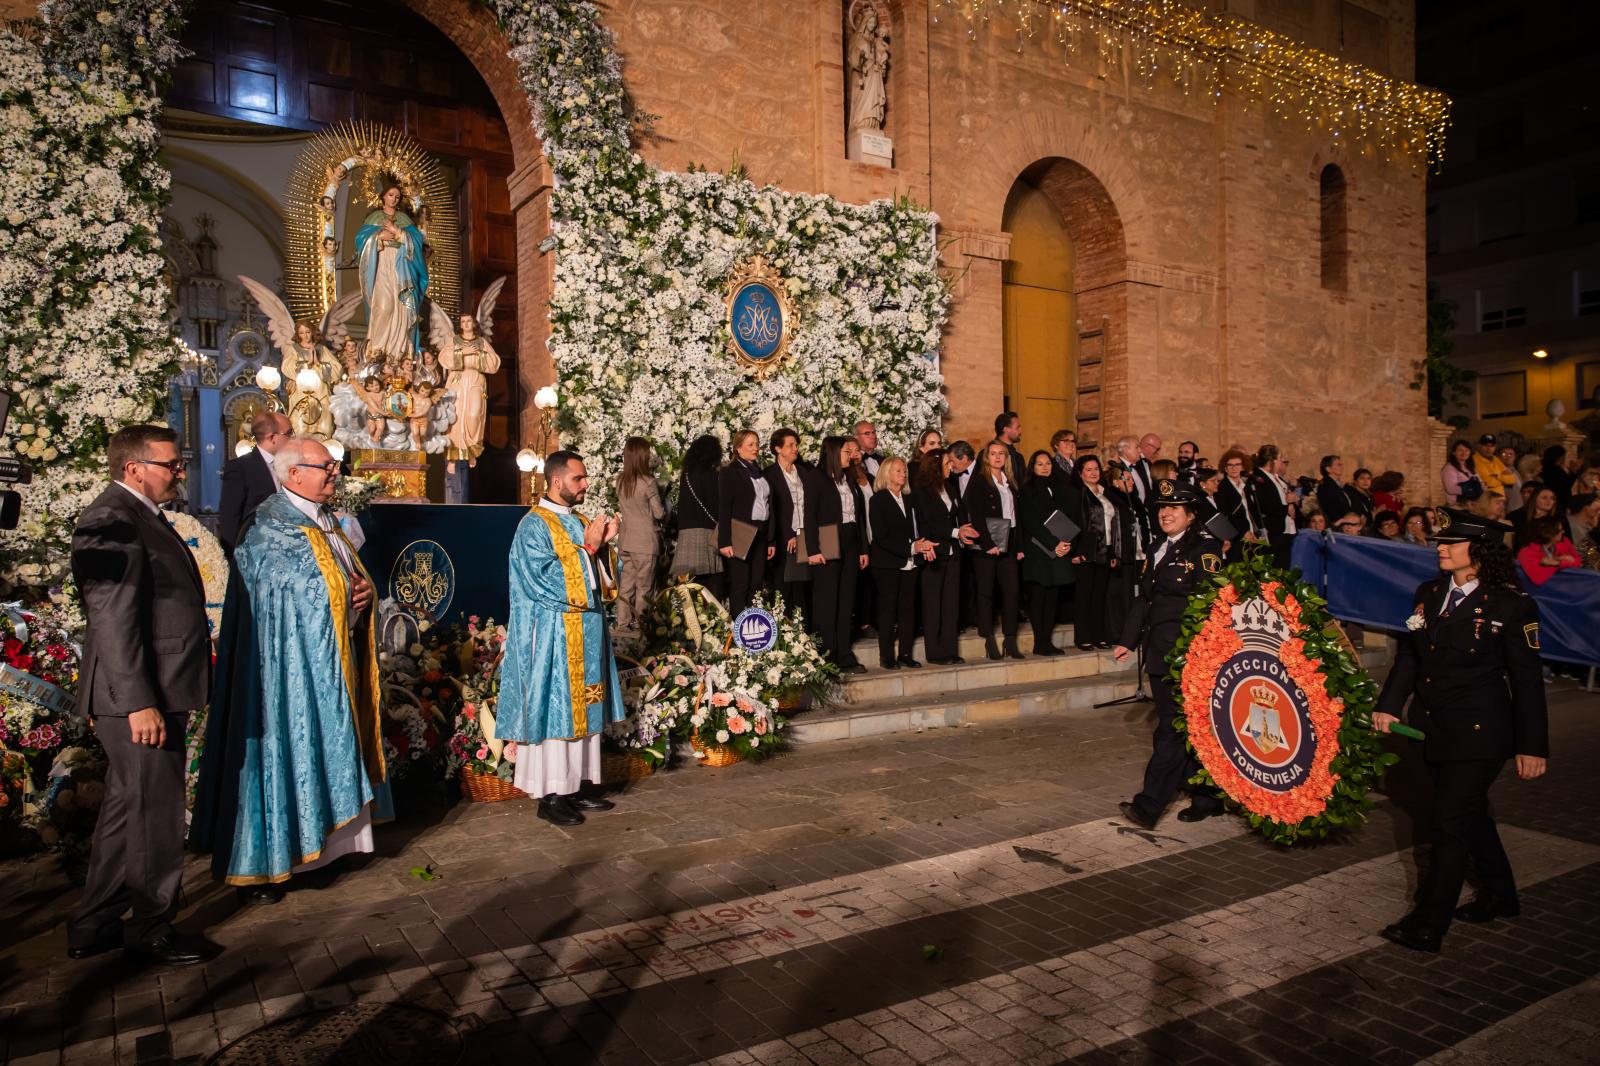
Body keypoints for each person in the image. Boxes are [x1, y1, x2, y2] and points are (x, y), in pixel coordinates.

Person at [193, 437, 386, 902]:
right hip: (286, 672)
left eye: (334, 466)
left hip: (329, 658)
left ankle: (329, 847)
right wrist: (346, 599)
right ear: (293, 473)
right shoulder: (269, 528)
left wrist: (366, 593)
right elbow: (292, 596)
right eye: (326, 466)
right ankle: (275, 858)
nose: (335, 473)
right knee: (285, 751)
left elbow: (345, 578)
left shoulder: (324, 523)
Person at [67, 426, 214, 966]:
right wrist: (138, 701)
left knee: (128, 808)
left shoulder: (136, 516)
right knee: (155, 810)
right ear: (135, 468)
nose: (179, 472)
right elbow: (112, 620)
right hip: (138, 692)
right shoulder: (111, 519)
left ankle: (94, 923)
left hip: (150, 686)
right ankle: (153, 926)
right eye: (171, 464)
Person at [1372, 507, 1547, 954]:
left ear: (1480, 551)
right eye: (1440, 541)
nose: (1441, 548)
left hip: (1480, 732)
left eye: (1451, 542)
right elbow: (1411, 656)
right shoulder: (1428, 593)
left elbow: (1526, 681)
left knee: (1448, 822)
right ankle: (1501, 894)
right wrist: (1390, 705)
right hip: (1433, 727)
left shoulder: (1511, 604)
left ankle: (1429, 922)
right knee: (1470, 817)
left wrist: (1532, 746)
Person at [495, 450, 625, 827]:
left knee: (583, 709)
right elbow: (546, 581)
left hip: (585, 633)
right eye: (578, 479)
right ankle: (550, 793)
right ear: (556, 482)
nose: (585, 485)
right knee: (557, 712)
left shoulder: (580, 520)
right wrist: (589, 549)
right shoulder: (533, 526)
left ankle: (573, 786)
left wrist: (602, 551)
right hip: (553, 635)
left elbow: (602, 581)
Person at [1114, 479, 1225, 829]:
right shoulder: (1158, 546)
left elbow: (1213, 605)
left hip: (1188, 655)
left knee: (1172, 730)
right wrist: (1127, 640)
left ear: (1191, 515)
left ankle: (1149, 805)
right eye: (1162, 507)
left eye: (1174, 508)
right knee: (1188, 727)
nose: (1165, 513)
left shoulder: (1204, 551)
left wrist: (1198, 655)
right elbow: (1145, 598)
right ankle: (1207, 795)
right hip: (1160, 653)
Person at [807, 436, 869, 673]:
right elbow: (809, 515)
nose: (850, 455)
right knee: (827, 602)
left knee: (846, 601)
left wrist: (863, 548)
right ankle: (827, 656)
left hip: (850, 539)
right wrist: (813, 550)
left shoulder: (849, 478)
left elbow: (859, 516)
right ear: (833, 453)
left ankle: (844, 653)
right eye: (845, 451)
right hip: (828, 539)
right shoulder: (817, 477)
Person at [868, 458, 932, 669]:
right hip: (887, 563)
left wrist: (922, 544)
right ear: (887, 473)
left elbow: (918, 525)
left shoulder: (909, 498)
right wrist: (912, 548)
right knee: (888, 610)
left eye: (904, 471)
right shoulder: (878, 500)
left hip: (910, 563)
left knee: (908, 609)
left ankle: (905, 653)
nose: (903, 474)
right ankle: (887, 656)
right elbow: (881, 536)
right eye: (898, 471)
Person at [964, 439, 1025, 660]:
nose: (998, 457)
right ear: (986, 457)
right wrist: (988, 543)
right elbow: (976, 514)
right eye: (993, 453)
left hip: (1009, 542)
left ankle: (1010, 639)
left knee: (1012, 593)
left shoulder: (1009, 481)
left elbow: (1016, 517)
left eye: (1002, 454)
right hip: (987, 546)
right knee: (986, 593)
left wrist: (1019, 546)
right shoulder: (980, 481)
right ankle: (988, 639)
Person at [355, 183, 427, 358]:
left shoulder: (405, 221)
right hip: (382, 264)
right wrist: (378, 237)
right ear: (383, 197)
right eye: (390, 195)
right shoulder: (373, 218)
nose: (394, 199)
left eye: (397, 196)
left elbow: (417, 242)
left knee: (403, 306)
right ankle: (377, 351)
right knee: (384, 306)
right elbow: (360, 242)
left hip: (402, 266)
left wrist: (399, 233)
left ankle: (401, 352)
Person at [910, 447, 965, 665]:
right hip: (934, 551)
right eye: (946, 464)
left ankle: (950, 649)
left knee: (951, 604)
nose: (951, 467)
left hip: (953, 552)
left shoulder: (949, 488)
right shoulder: (922, 490)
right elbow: (929, 522)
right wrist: (955, 532)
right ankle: (935, 652)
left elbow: (957, 516)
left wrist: (963, 533)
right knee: (933, 604)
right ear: (935, 467)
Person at [1070, 455, 1131, 651]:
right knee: (1084, 596)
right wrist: (1077, 551)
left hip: (1107, 551)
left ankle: (1099, 635)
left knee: (1100, 597)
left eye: (1096, 468)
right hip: (1086, 551)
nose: (1093, 472)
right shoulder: (1079, 493)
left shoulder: (1106, 493)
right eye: (1088, 469)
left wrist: (1115, 554)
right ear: (1080, 474)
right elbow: (1076, 524)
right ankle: (1083, 637)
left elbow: (1114, 525)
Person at [1020, 450, 1075, 657]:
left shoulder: (1058, 488)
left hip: (1059, 548)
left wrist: (1067, 542)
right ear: (1032, 467)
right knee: (1038, 597)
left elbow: (1065, 518)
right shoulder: (1027, 490)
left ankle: (1047, 641)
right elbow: (1032, 523)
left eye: (1048, 464)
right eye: (1040, 464)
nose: (1045, 467)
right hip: (1039, 549)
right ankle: (1039, 642)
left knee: (1052, 597)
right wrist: (1054, 544)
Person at [717, 428, 775, 617]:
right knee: (741, 583)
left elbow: (768, 505)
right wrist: (724, 541)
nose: (755, 448)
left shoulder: (760, 473)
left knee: (757, 583)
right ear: (738, 448)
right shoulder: (730, 473)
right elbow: (724, 508)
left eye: (757, 444)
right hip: (740, 532)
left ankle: (754, 629)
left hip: (761, 532)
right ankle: (738, 630)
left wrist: (771, 539)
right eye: (750, 444)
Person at [218, 411, 291, 556]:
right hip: (255, 553)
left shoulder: (289, 465)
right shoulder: (240, 468)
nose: (292, 439)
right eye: (289, 434)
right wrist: (236, 559)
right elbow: (230, 519)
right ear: (272, 438)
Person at [614, 436, 666, 637]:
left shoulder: (621, 481)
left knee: (626, 585)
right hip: (645, 542)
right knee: (645, 587)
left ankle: (622, 624)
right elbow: (659, 513)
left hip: (626, 540)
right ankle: (641, 625)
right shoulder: (648, 482)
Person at [765, 427, 818, 616]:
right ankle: (785, 636)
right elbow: (772, 511)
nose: (795, 448)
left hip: (806, 537)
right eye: (790, 445)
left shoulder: (805, 472)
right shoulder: (769, 475)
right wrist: (789, 535)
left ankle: (804, 636)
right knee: (784, 589)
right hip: (783, 540)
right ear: (778, 449)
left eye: (796, 445)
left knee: (804, 590)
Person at [669, 435, 723, 599]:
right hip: (706, 532)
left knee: (689, 586)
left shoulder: (686, 474)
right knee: (711, 584)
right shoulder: (710, 474)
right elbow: (715, 504)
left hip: (686, 533)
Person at [1248, 444, 1298, 569]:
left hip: (1285, 529)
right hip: (1272, 532)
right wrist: (1286, 508)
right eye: (1280, 458)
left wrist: (1292, 500)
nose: (1281, 462)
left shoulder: (1276, 478)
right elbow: (1265, 505)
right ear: (1272, 460)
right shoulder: (1259, 478)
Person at [1214, 449, 1260, 561]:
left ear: (1243, 467)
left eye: (1237, 465)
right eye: (1230, 465)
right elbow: (1226, 515)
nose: (1234, 468)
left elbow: (1252, 510)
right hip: (1236, 538)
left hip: (1253, 534)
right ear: (1225, 468)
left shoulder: (1247, 485)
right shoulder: (1222, 488)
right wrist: (1243, 532)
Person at [1516, 517, 1580, 586]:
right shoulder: (1527, 553)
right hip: (1538, 593)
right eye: (1560, 530)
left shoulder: (1562, 542)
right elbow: (1538, 579)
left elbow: (1577, 562)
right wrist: (1554, 564)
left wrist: (1557, 562)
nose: (1563, 532)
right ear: (1550, 533)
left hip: (1560, 587)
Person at [1471, 434, 1517, 499]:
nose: (1489, 448)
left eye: (1492, 446)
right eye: (1485, 445)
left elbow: (1512, 479)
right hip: (1484, 499)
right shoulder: (1472, 460)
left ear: (1495, 447)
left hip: (1501, 499)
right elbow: (1483, 481)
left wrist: (1497, 476)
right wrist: (1501, 477)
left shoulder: (1496, 459)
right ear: (1479, 446)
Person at [1116, 435, 1153, 514]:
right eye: (1137, 447)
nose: (1140, 451)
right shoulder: (1118, 469)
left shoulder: (1138, 466)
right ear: (1126, 450)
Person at [1440, 439, 1482, 506]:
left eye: (1467, 450)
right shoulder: (1449, 468)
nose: (1464, 453)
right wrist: (1468, 489)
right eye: (1460, 450)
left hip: (1471, 504)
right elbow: (1450, 489)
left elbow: (1479, 482)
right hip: (1456, 506)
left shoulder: (1470, 467)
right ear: (1454, 452)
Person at [1316, 455, 1352, 521]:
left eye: (1341, 464)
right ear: (1328, 469)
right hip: (1337, 522)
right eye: (1338, 465)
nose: (1342, 467)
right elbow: (1333, 507)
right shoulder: (1326, 485)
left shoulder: (1338, 484)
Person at [995, 412, 1026, 486]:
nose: (1020, 431)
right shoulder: (987, 454)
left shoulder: (1019, 457)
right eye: (1017, 427)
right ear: (1006, 429)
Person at [1539, 445, 1573, 510]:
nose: (1564, 458)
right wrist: (1573, 471)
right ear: (1559, 457)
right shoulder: (1553, 470)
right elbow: (1566, 484)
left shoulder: (1554, 468)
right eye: (1563, 456)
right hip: (1557, 501)